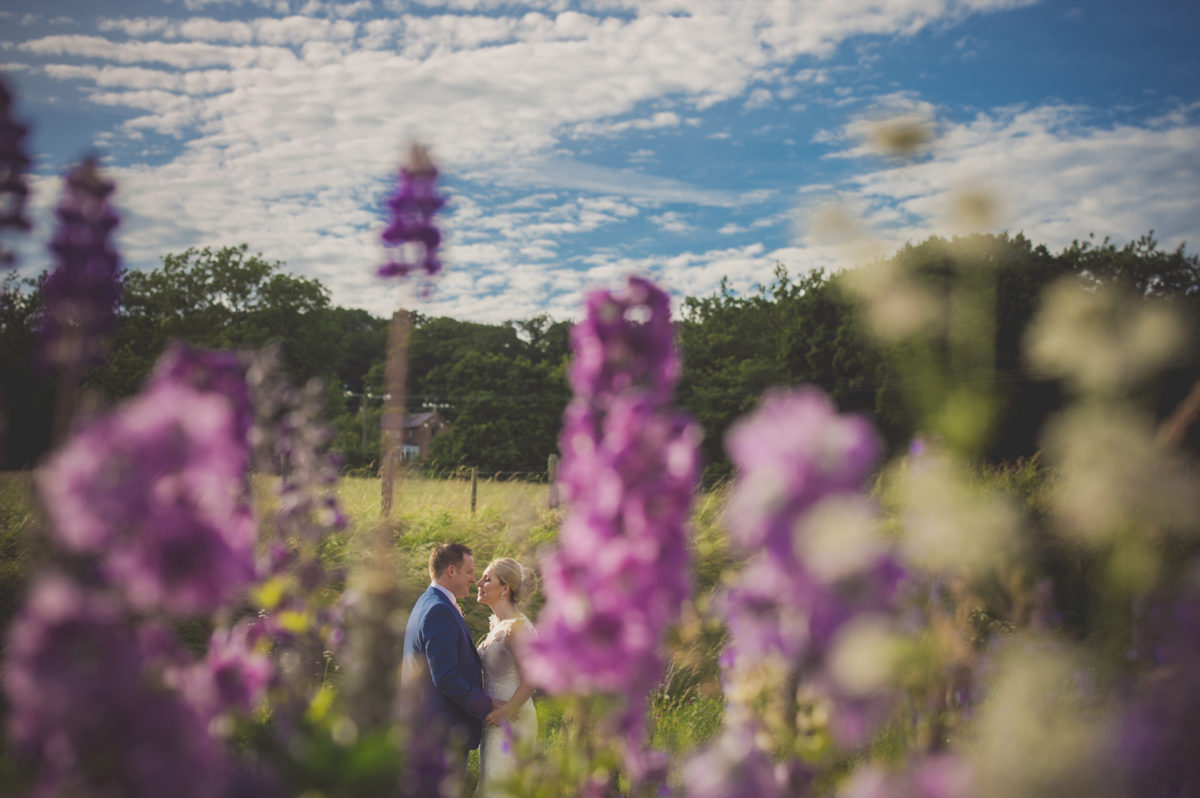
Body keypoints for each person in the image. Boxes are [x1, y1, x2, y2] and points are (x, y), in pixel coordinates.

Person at [401, 542, 501, 770]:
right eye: (469, 572)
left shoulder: (428, 601)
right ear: (451, 571)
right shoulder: (439, 610)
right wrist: (486, 704)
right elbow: (445, 675)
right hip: (441, 732)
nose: (473, 580)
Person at [473, 557, 538, 797]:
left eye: (487, 579)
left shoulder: (517, 628)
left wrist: (506, 710)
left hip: (512, 720)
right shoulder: (498, 625)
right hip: (495, 718)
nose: (478, 582)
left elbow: (532, 678)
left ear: (504, 589)